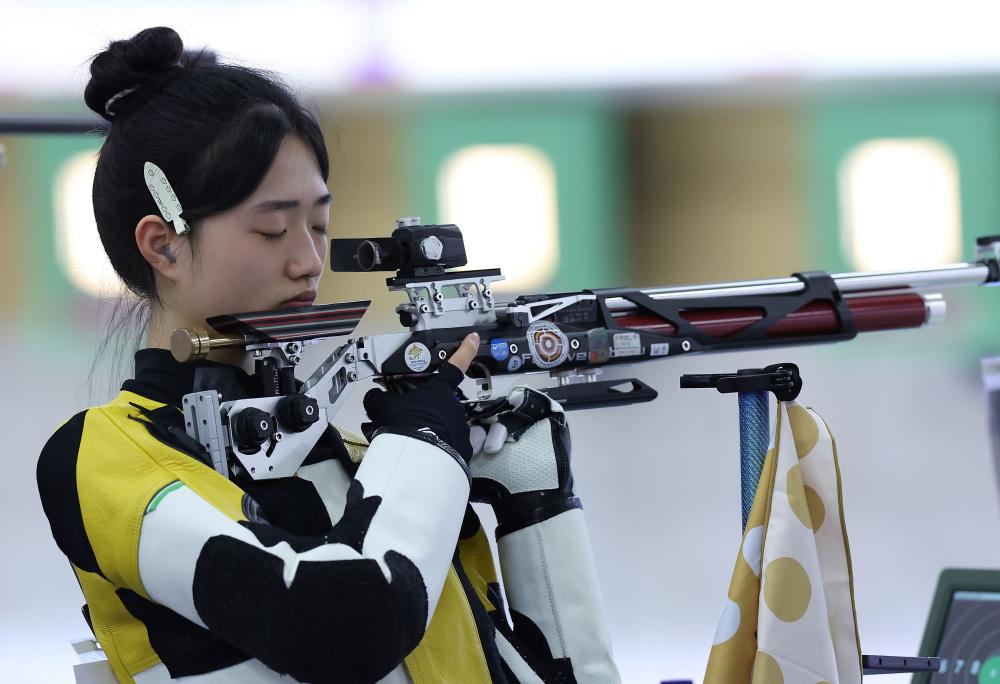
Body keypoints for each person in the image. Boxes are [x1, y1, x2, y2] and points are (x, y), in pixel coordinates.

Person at [36, 26, 620, 684]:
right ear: (162, 246)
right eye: (272, 228)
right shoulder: (99, 458)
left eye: (319, 224)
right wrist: (426, 442)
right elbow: (346, 626)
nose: (308, 262)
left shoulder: (365, 464)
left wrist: (533, 507)